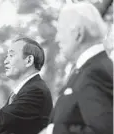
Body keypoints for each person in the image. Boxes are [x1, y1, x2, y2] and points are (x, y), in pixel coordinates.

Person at [42, 2, 113, 134]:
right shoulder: (88, 69)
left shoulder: (95, 72)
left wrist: (53, 131)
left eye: (60, 31)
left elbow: (103, 131)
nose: (57, 39)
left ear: (78, 34)